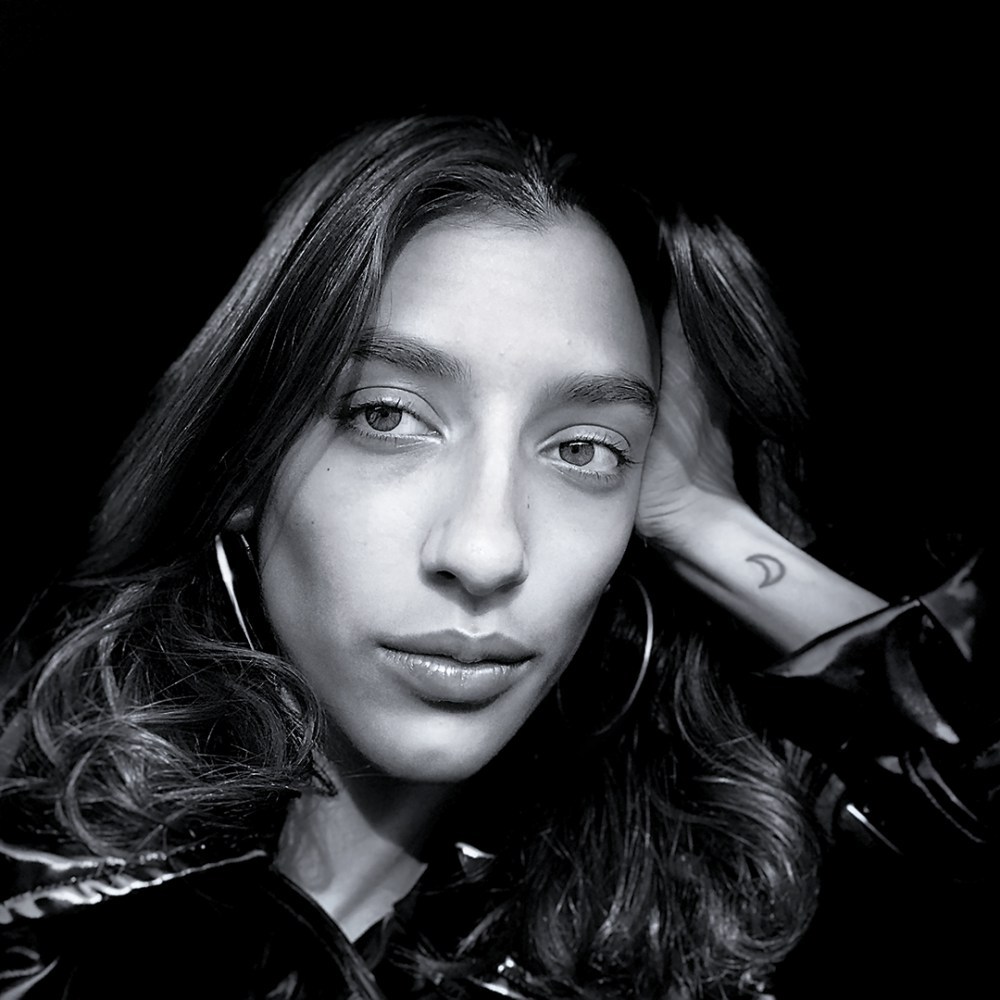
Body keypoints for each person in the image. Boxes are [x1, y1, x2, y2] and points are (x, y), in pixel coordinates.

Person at [0, 114, 990, 999]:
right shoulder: (39, 897)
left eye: (585, 451)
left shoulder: (695, 934)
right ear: (244, 459)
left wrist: (709, 524)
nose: (485, 551)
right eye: (387, 416)